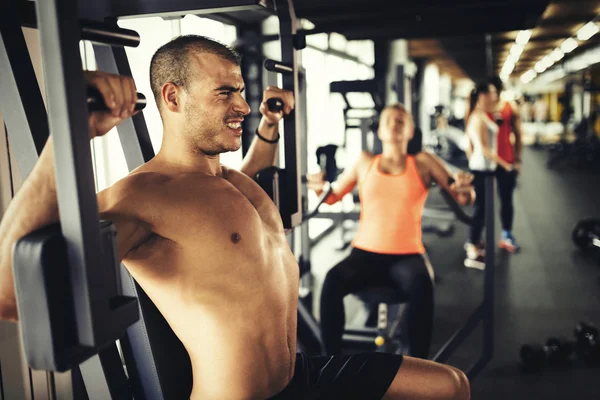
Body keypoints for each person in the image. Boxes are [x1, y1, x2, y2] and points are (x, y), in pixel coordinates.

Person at [0, 36, 470, 400]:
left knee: (450, 386)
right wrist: (70, 135)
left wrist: (268, 125)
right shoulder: (140, 198)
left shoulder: (233, 180)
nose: (241, 106)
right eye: (225, 93)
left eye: (242, 92)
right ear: (172, 97)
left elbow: (244, 181)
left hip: (301, 375)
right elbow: (9, 296)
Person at [308, 103, 475, 360]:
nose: (395, 124)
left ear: (410, 130)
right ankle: (330, 362)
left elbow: (461, 195)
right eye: (389, 120)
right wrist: (319, 186)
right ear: (380, 131)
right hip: (364, 253)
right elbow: (331, 197)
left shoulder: (423, 162)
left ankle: (419, 367)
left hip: (407, 255)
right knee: (332, 281)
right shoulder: (364, 162)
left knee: (423, 285)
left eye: (401, 120)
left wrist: (466, 190)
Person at [463, 81, 514, 270]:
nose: (495, 96)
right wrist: (505, 165)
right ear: (482, 96)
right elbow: (483, 148)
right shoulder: (477, 117)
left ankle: (474, 241)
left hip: (485, 168)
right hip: (482, 169)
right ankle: (472, 250)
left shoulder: (482, 115)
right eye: (491, 93)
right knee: (480, 211)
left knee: (483, 209)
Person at [488, 76, 523, 252]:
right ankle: (476, 241)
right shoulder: (479, 107)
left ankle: (506, 235)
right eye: (489, 91)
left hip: (506, 161)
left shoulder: (510, 107)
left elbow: (518, 134)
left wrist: (518, 160)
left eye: (495, 91)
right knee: (481, 202)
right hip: (485, 162)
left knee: (506, 199)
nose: (492, 95)